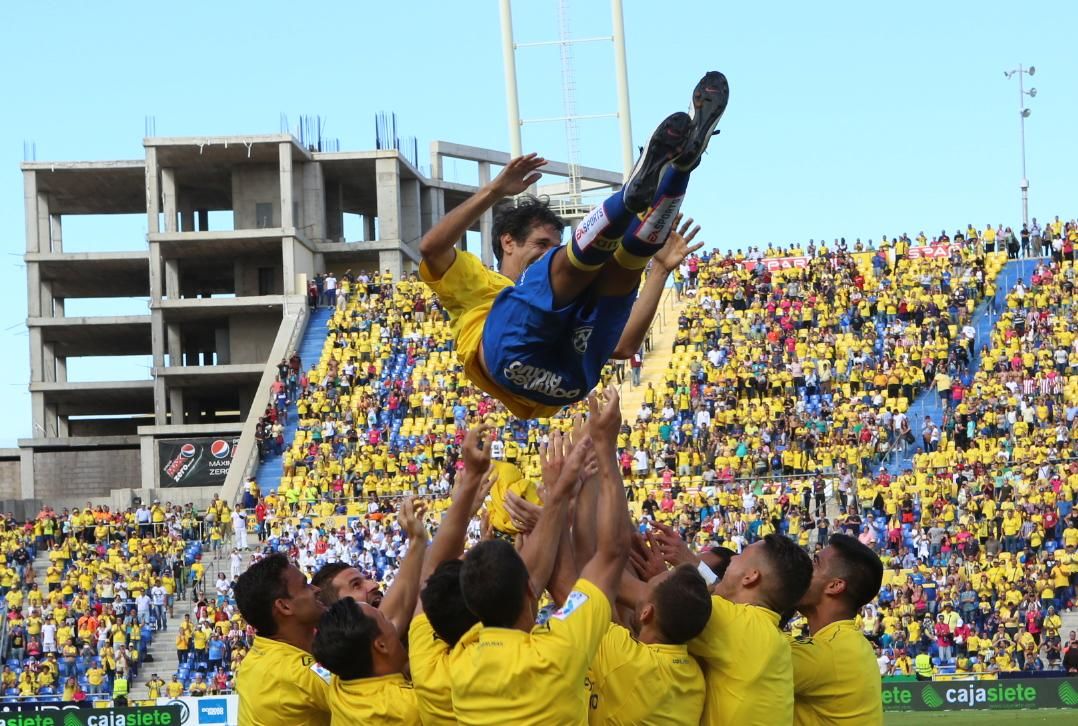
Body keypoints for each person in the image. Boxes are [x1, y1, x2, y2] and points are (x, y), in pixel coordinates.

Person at [418, 73, 727, 418]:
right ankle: (629, 199)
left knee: (620, 267)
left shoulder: (557, 282)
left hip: (570, 378)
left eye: (555, 243)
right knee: (561, 275)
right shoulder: (476, 282)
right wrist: (493, 191)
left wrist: (660, 270)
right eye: (541, 242)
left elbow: (623, 345)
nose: (549, 249)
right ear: (508, 241)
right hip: (510, 357)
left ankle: (682, 167)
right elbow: (431, 248)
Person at [449, 387, 630, 724]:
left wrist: (557, 504)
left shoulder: (459, 661)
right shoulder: (559, 649)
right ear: (530, 590)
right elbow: (612, 553)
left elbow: (530, 575)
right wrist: (601, 453)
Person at [688, 533, 813, 725]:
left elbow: (644, 599)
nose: (733, 557)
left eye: (742, 554)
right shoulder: (769, 635)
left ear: (751, 576)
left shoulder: (737, 623)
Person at [790, 534, 885, 725]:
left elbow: (752, 658)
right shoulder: (847, 643)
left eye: (815, 563)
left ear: (835, 586)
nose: (803, 568)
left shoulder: (832, 651)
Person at [233, 553, 331, 726]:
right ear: (284, 606)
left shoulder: (256, 658)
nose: (316, 589)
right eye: (305, 585)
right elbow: (377, 706)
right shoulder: (299, 673)